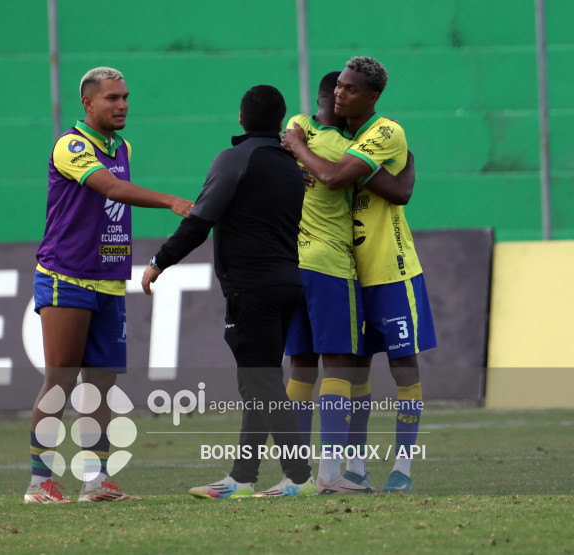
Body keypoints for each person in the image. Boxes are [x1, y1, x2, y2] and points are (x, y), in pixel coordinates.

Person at [25, 67, 192, 504]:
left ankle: (95, 482)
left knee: (100, 385)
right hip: (66, 277)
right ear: (88, 103)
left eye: (125, 97)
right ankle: (40, 483)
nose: (122, 105)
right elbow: (112, 189)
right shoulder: (72, 146)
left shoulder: (122, 147)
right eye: (112, 98)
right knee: (60, 381)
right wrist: (171, 200)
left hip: (110, 281)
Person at [142, 85, 316, 498]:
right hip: (288, 284)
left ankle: (299, 476)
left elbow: (200, 220)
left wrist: (160, 261)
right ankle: (242, 478)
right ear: (280, 122)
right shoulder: (292, 167)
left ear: (240, 119)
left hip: (251, 288)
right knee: (257, 383)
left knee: (263, 383)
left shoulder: (234, 158)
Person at [282, 56, 436, 493]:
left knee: (404, 368)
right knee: (353, 373)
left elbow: (336, 178)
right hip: (348, 273)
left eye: (350, 88)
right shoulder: (343, 138)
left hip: (390, 270)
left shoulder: (384, 132)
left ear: (373, 97)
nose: (340, 93)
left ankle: (403, 469)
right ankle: (355, 467)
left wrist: (299, 148)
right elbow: (394, 189)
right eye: (339, 86)